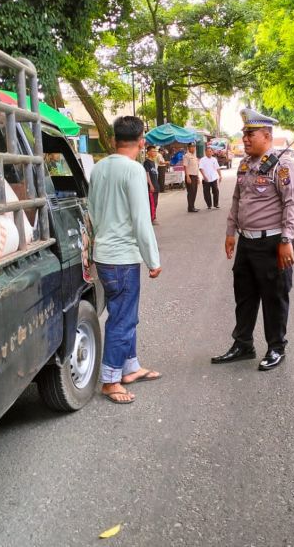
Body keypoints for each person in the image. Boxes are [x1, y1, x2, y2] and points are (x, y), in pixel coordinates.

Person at [212, 108, 294, 371]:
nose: (245, 139)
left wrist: (286, 240)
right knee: (244, 296)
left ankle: (276, 347)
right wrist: (230, 233)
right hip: (247, 243)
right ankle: (243, 345)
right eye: (244, 134)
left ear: (266, 136)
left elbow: (292, 203)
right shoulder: (244, 165)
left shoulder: (282, 166)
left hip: (272, 243)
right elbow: (237, 200)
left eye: (250, 134)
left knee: (274, 298)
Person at [88, 115, 162, 405]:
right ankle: (110, 381)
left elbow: (92, 212)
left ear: (113, 139)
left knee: (125, 313)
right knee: (122, 318)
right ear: (142, 142)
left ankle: (130, 367)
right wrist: (153, 259)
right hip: (122, 258)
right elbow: (141, 220)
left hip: (105, 255)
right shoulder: (133, 170)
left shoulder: (99, 168)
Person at [143, 145, 159, 223]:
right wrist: (151, 185)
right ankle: (152, 218)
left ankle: (153, 217)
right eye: (153, 151)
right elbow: (147, 174)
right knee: (152, 203)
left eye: (155, 151)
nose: (155, 153)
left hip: (156, 185)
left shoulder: (153, 162)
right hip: (151, 186)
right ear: (148, 152)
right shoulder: (147, 162)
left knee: (155, 202)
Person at [183, 142, 200, 212]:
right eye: (191, 147)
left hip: (195, 176)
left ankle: (192, 206)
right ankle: (190, 207)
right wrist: (187, 177)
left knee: (194, 192)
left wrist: (198, 177)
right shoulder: (186, 156)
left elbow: (196, 168)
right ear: (188, 148)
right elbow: (185, 167)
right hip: (190, 176)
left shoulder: (194, 156)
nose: (193, 148)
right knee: (191, 192)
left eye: (194, 147)